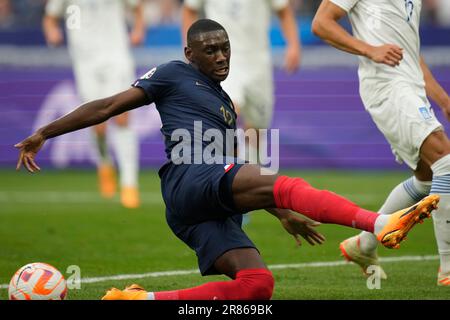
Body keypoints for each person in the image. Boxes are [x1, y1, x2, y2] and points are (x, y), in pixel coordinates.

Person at [16, 19, 439, 300]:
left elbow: (234, 170)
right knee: (283, 182)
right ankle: (379, 223)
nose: (221, 57)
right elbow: (107, 106)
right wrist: (44, 133)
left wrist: (281, 214)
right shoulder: (171, 73)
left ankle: (142, 299)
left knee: (257, 288)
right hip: (188, 178)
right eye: (210, 50)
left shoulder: (224, 105)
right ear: (190, 54)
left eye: (225, 49)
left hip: (199, 207)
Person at [312, 0, 450, 286]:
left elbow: (409, 53)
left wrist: (442, 98)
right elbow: (321, 23)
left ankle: (363, 245)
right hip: (387, 88)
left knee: (427, 179)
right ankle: (448, 269)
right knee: (446, 161)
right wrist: (370, 49)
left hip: (409, 86)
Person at [43, 0, 146, 208]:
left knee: (123, 116)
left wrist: (138, 29)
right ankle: (105, 163)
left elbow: (136, 6)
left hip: (116, 56)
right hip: (86, 62)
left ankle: (129, 184)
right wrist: (52, 32)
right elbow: (50, 17)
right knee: (96, 123)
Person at [181, 0, 301, 164]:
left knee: (257, 127)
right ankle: (226, 174)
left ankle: (250, 173)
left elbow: (284, 11)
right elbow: (189, 10)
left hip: (258, 62)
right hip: (222, 58)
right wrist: (191, 48)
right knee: (227, 112)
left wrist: (293, 45)